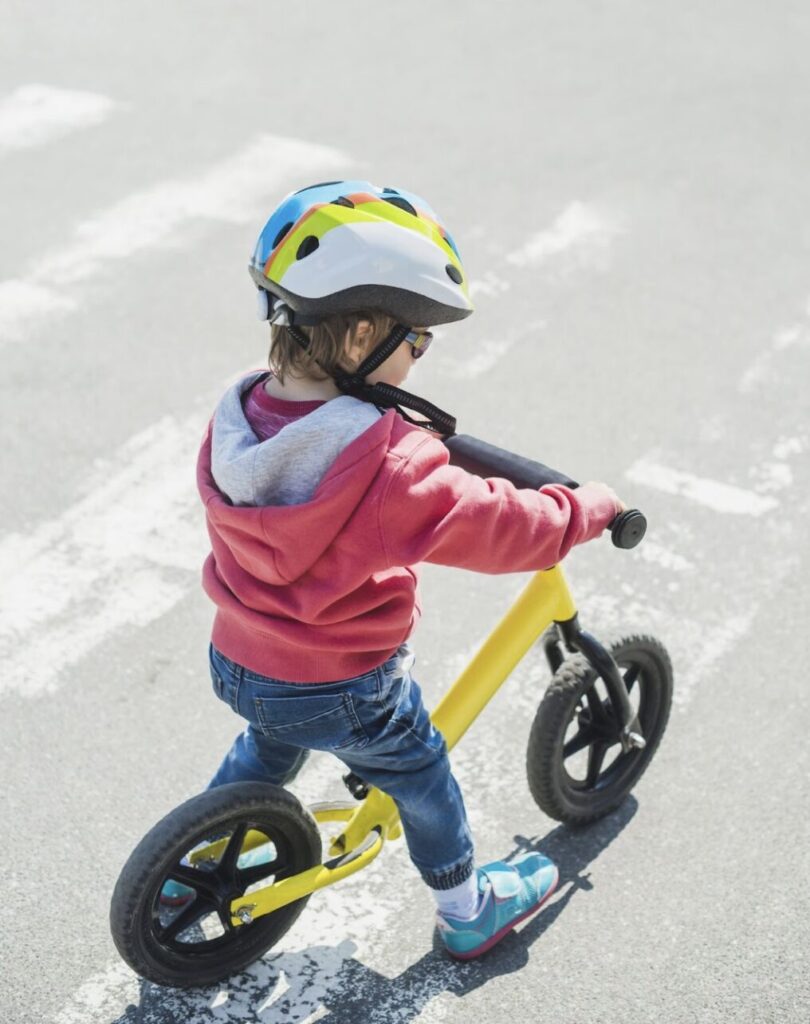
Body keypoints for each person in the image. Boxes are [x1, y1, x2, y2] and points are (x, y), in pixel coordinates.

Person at [188, 180, 625, 959]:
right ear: (360, 336)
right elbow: (504, 530)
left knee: (269, 737)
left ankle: (203, 852)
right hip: (342, 685)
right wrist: (580, 511)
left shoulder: (238, 417)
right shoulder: (390, 467)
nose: (420, 355)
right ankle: (467, 908)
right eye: (416, 341)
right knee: (422, 771)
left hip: (241, 656)